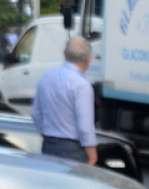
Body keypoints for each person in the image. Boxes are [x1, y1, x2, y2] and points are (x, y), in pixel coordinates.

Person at [30, 37, 98, 166]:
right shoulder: (82, 85)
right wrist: (92, 153)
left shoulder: (47, 76)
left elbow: (35, 113)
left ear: (63, 53)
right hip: (72, 149)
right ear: (89, 58)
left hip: (49, 144)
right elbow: (85, 126)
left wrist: (47, 133)